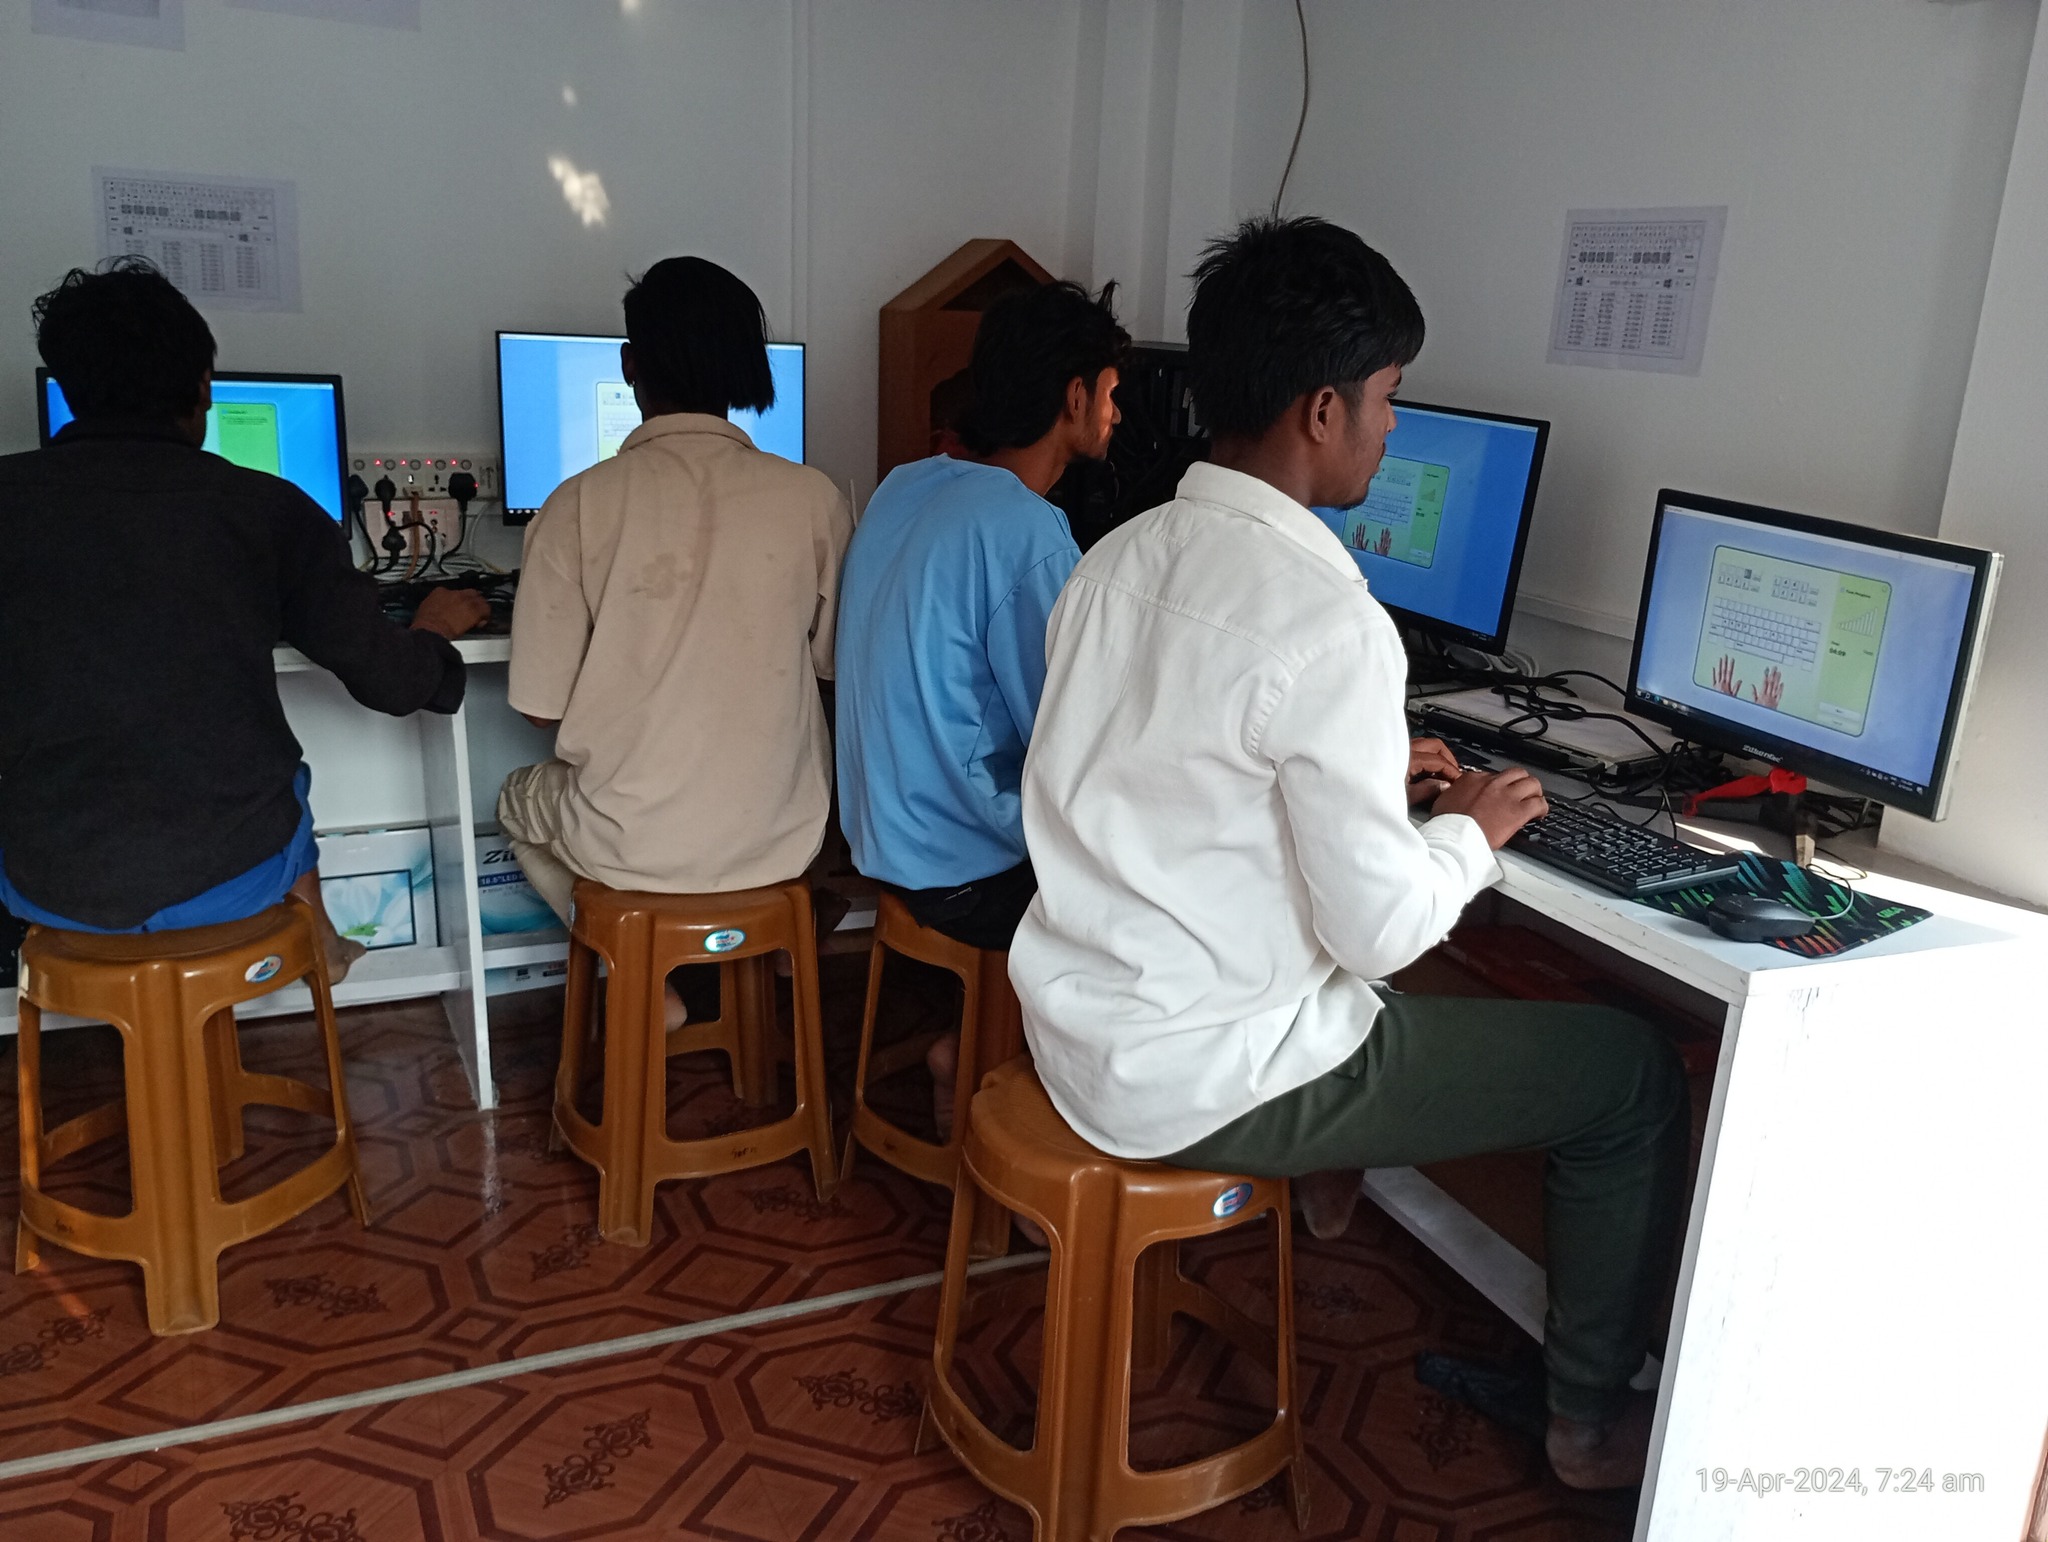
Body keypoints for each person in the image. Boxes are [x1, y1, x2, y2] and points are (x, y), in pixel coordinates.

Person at [1008, 217, 1689, 1491]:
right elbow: (1374, 931)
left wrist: (1373, 775)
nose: (1389, 428)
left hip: (1077, 1022)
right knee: (1627, 1073)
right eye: (1387, 399)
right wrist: (1467, 832)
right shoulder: (1329, 621)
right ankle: (1587, 1420)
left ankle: (1331, 1182)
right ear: (1321, 411)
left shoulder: (1113, 558)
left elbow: (1172, 787)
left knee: (1387, 955)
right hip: (1202, 1072)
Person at [0, 258, 486, 973]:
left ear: (67, 388)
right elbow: (389, 682)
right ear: (203, 386)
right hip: (233, 871)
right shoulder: (269, 511)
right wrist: (433, 631)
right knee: (277, 773)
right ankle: (318, 945)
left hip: (47, 881)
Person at [500, 257, 852, 1030]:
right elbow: (833, 669)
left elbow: (538, 709)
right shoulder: (816, 499)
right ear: (746, 369)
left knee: (515, 800)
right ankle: (785, 936)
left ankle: (632, 967)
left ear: (630, 365)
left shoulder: (575, 504)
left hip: (633, 845)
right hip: (780, 842)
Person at [835, 280, 1127, 1134]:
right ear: (1074, 397)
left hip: (880, 835)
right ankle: (989, 1058)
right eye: (1113, 393)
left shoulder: (906, 485)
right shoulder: (1026, 532)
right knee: (1151, 886)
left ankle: (986, 1037)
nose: (1117, 414)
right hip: (962, 867)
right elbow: (1068, 735)